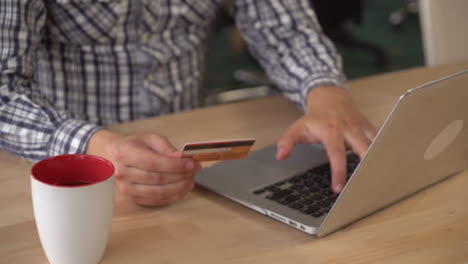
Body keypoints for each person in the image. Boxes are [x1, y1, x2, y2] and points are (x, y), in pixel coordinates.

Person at [0, 0, 377, 206]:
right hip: (69, 180)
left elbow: (281, 24)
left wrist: (326, 91)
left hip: (195, 172)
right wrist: (91, 147)